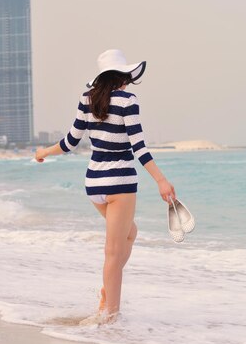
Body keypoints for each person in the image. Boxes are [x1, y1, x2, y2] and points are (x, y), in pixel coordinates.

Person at [35, 49, 176, 325]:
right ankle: (110, 313)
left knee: (129, 233)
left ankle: (106, 292)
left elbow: (70, 143)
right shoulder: (127, 100)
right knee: (113, 252)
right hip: (120, 182)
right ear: (122, 77)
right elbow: (139, 147)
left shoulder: (86, 99)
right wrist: (161, 180)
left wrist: (43, 152)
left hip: (93, 184)